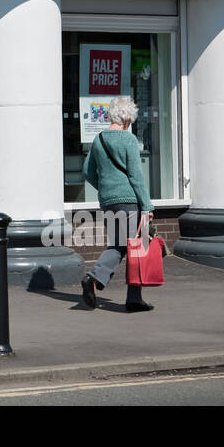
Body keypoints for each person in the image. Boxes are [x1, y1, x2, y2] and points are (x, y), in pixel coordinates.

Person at [81, 94, 155, 312]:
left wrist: (105, 188)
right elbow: (135, 176)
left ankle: (128, 295)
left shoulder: (99, 139)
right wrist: (148, 206)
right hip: (129, 201)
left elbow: (87, 172)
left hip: (108, 202)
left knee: (119, 244)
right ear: (128, 118)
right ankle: (101, 281)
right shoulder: (129, 140)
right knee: (131, 247)